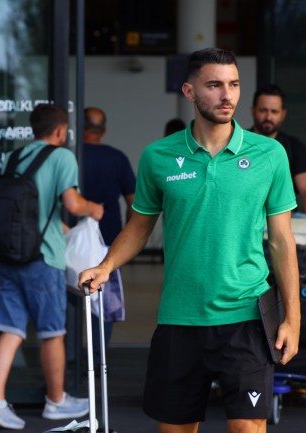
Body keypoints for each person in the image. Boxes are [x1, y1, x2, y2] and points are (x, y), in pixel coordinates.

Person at [78, 48, 301, 433]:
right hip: (179, 319)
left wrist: (292, 320)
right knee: (175, 429)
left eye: (233, 85)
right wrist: (106, 265)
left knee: (248, 428)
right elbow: (139, 226)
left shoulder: (269, 154)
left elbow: (281, 241)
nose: (227, 95)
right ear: (189, 91)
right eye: (214, 85)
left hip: (246, 317)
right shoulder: (158, 156)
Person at [0, 103, 104, 430]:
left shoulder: (12, 158)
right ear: (61, 131)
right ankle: (56, 400)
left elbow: (29, 210)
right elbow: (72, 204)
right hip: (43, 259)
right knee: (52, 332)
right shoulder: (62, 157)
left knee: (9, 330)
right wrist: (94, 208)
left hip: (8, 255)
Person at [81, 107, 135, 365]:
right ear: (103, 131)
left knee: (69, 301)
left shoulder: (71, 155)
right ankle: (97, 358)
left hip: (70, 240)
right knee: (102, 301)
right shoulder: (117, 158)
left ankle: (71, 357)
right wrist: (127, 236)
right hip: (108, 241)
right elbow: (133, 202)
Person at [251, 84, 306, 209]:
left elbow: (305, 188)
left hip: (285, 216)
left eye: (274, 111)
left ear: (283, 114)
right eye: (263, 110)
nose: (268, 117)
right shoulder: (238, 142)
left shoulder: (293, 145)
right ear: (253, 110)